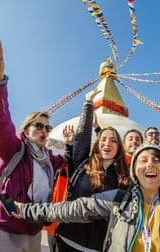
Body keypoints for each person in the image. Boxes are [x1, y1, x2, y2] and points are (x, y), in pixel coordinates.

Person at [15, 143, 160, 252]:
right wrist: (26, 210)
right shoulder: (119, 200)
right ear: (135, 172)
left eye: (156, 160)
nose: (150, 164)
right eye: (143, 160)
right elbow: (74, 208)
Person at [0, 39, 67, 252]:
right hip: (7, 227)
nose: (44, 131)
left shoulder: (49, 159)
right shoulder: (14, 147)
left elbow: (71, 158)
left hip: (33, 228)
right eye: (39, 126)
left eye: (48, 128)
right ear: (27, 128)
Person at [55, 88, 131, 252]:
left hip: (97, 245)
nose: (107, 144)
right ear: (97, 144)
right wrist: (88, 103)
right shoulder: (84, 164)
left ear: (119, 148)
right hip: (66, 238)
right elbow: (82, 137)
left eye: (113, 141)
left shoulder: (123, 176)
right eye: (103, 139)